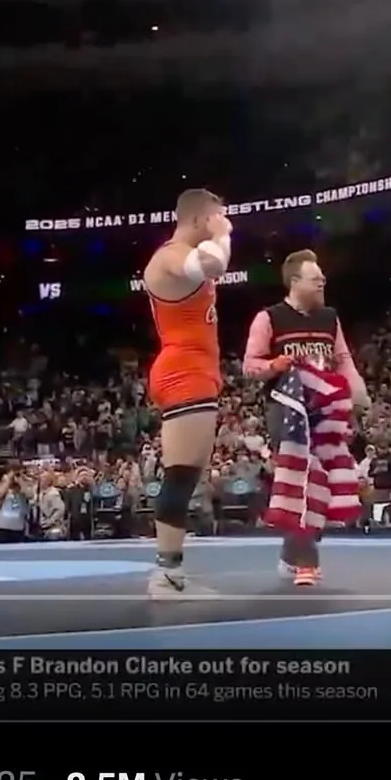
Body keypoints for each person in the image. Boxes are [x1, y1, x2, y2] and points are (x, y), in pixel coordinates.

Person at [243, 249, 369, 586]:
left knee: (323, 488)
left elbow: (343, 358)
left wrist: (359, 396)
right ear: (295, 282)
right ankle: (307, 563)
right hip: (287, 410)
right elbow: (249, 366)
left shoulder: (329, 318)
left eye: (323, 278)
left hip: (326, 410)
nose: (322, 282)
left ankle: (291, 554)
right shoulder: (269, 318)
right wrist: (274, 365)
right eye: (316, 279)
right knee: (303, 480)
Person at [140, 188, 234, 598]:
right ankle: (166, 574)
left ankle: (172, 573)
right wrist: (224, 234)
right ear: (198, 219)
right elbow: (212, 264)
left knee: (187, 476)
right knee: (179, 477)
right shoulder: (170, 256)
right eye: (217, 216)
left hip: (196, 371)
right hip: (184, 371)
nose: (223, 223)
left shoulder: (182, 254)